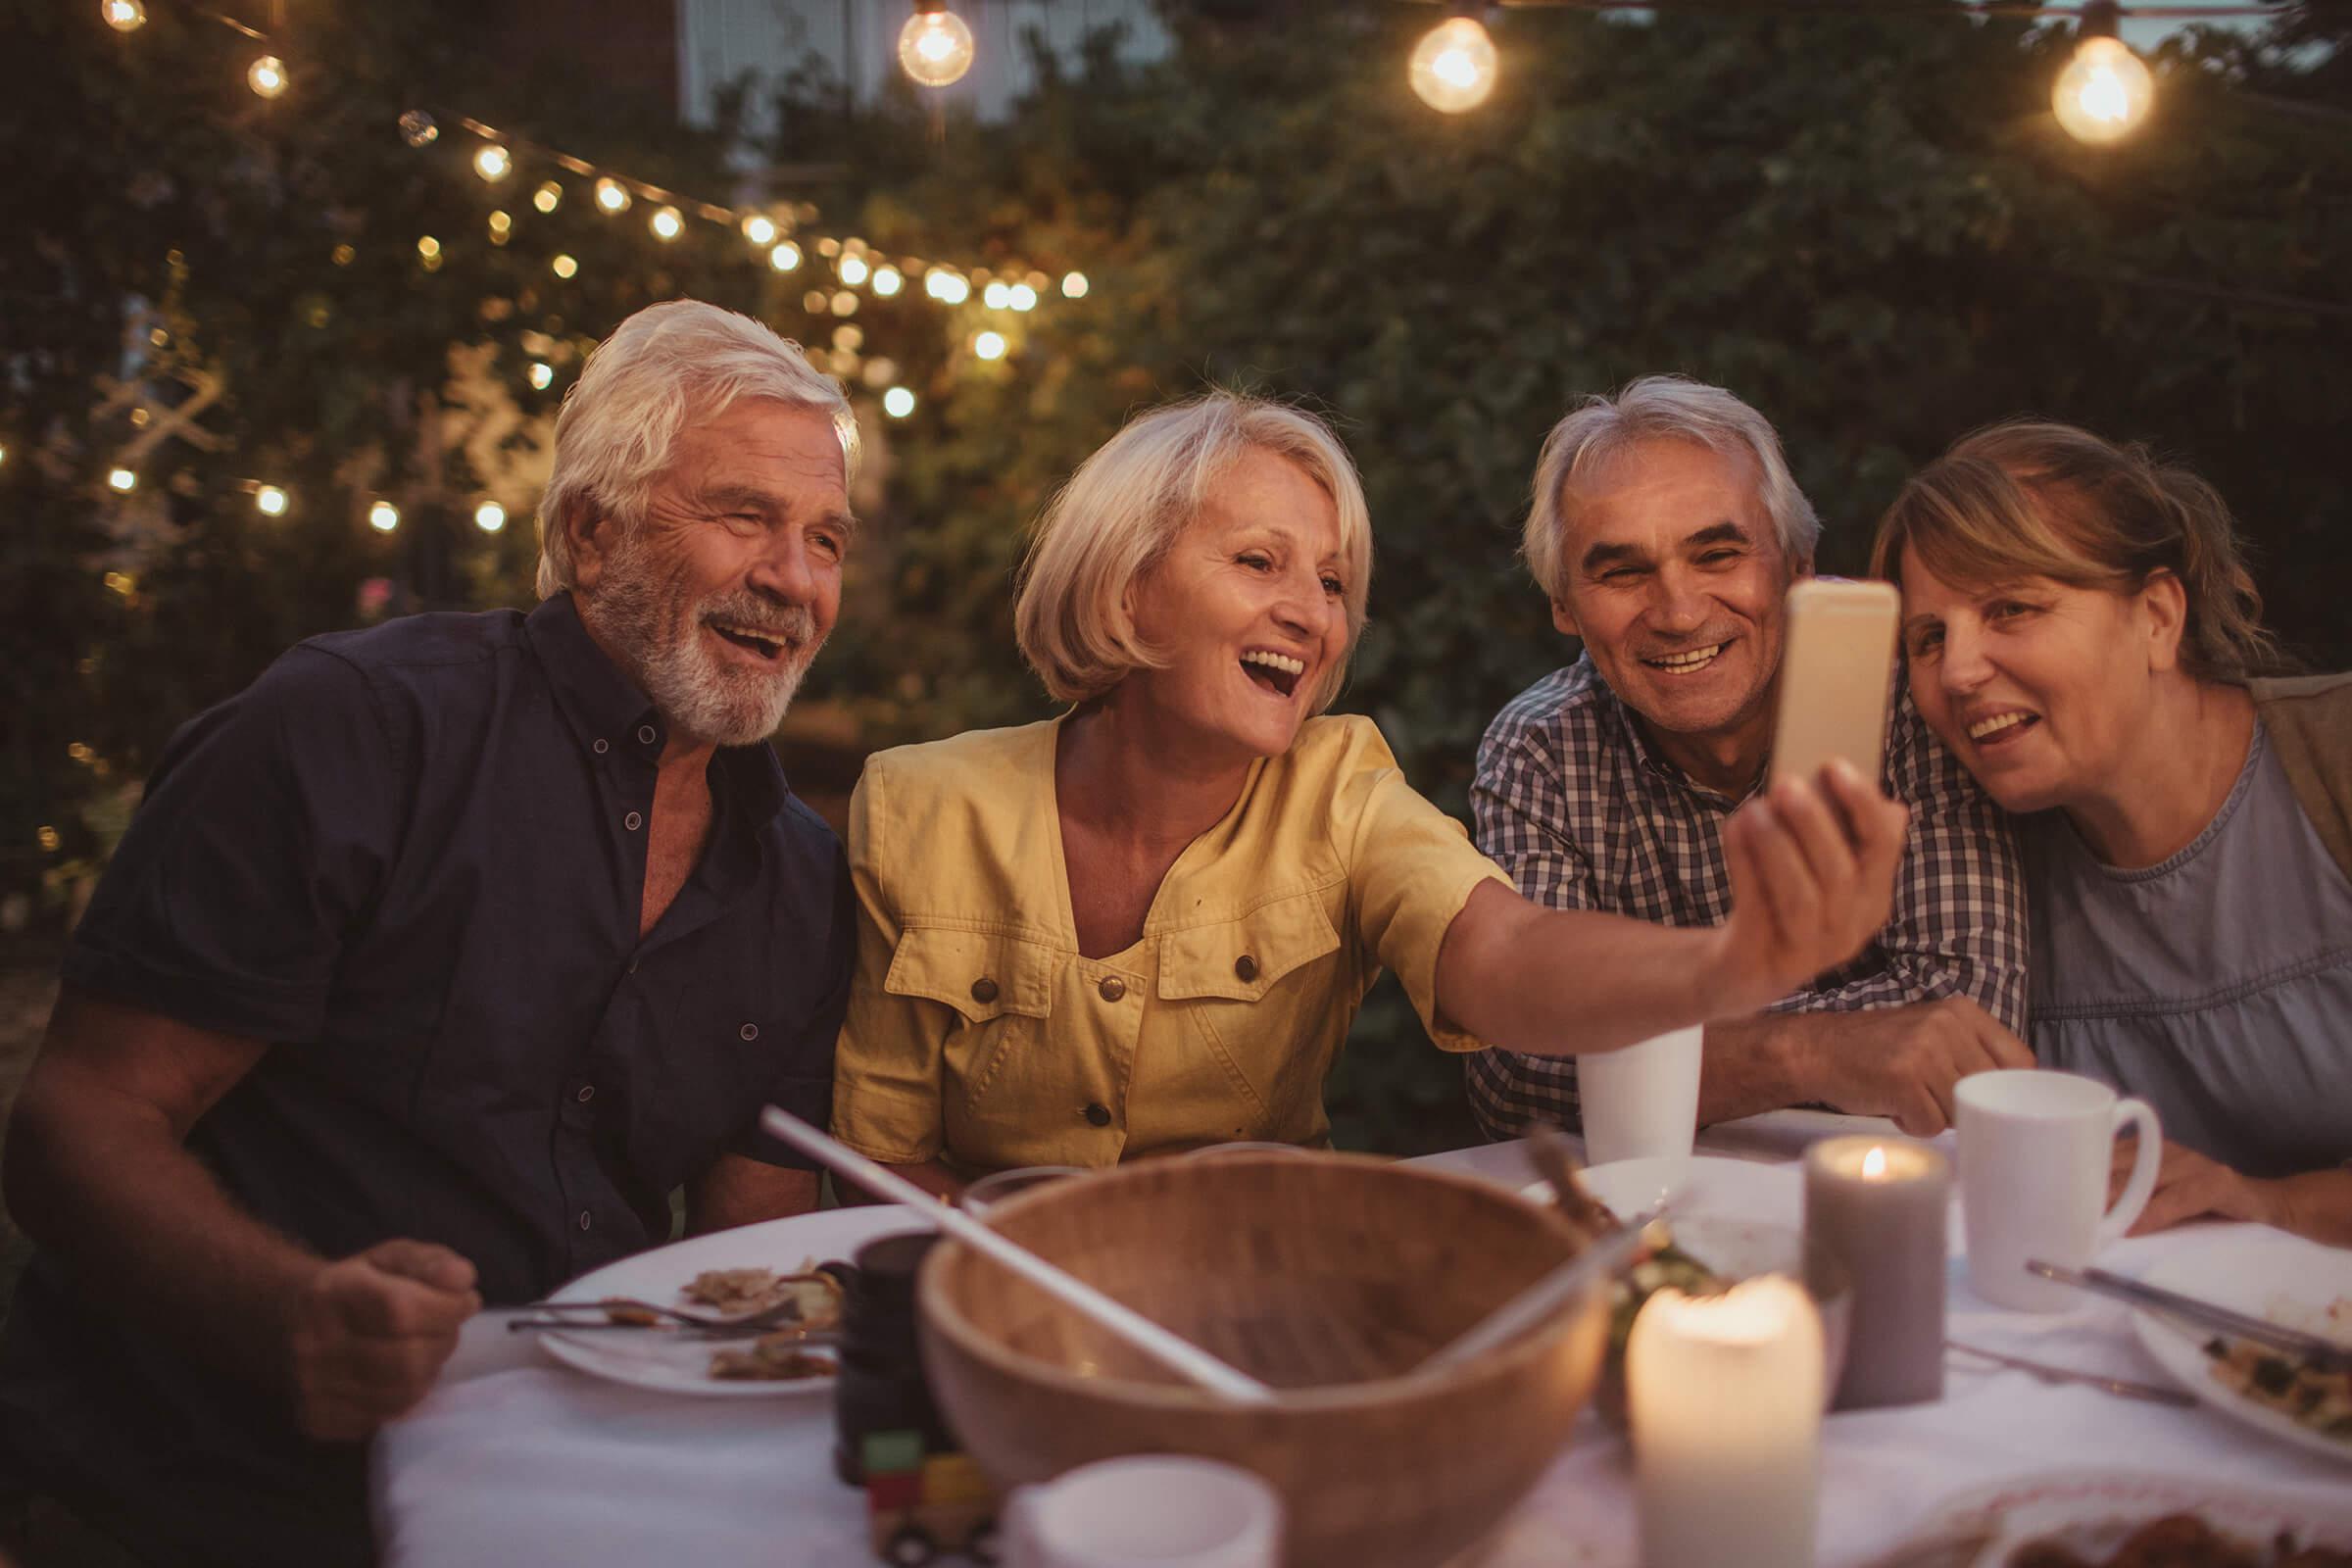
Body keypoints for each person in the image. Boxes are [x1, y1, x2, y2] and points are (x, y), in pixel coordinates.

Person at [0, 301, 860, 1565]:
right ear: (590, 530)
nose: (794, 578)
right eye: (745, 515)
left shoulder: (797, 876)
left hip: (557, 1508)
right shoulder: (351, 731)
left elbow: (745, 1272)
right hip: (204, 1498)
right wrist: (286, 1312)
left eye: (827, 537)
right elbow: (73, 1128)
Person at [829, 392, 1911, 1193]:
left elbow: (1506, 955)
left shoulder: (1342, 789)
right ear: (1126, 583)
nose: (1314, 612)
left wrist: (1731, 965)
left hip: (1265, 1295)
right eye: (1261, 561)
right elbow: (879, 1166)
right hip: (994, 1307)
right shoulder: (918, 807)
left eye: (1335, 582)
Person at [1466, 377, 2032, 1146]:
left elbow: (1966, 1009)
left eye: (1718, 554)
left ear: (1796, 565)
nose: (1679, 612)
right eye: (1623, 571)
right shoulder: (1540, 746)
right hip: (1668, 1211)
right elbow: (1515, 1073)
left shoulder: (1908, 687)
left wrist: (1635, 1043)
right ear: (1564, 602)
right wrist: (1811, 1052)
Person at [1874, 419, 2352, 1247]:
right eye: (1928, 637)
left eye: (2011, 608)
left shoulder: (2334, 760)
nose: (1956, 670)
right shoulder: (1971, 857)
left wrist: (2274, 1206)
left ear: (2159, 617)